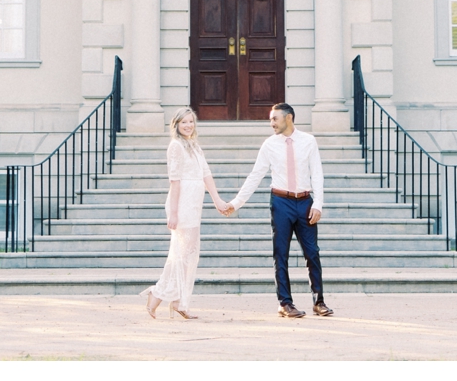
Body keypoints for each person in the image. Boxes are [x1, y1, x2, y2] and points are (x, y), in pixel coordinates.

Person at [224, 102, 333, 318]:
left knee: (312, 253)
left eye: (275, 118)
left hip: (304, 203)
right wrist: (236, 203)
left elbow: (317, 173)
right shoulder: (269, 145)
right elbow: (255, 175)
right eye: (270, 119)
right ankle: (285, 303)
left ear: (289, 118)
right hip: (281, 202)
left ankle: (319, 302)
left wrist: (318, 204)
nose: (271, 123)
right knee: (280, 254)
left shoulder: (308, 141)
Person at [140, 107, 231, 320]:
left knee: (188, 255)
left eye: (191, 121)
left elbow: (206, 174)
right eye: (184, 122)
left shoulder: (194, 145)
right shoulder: (176, 146)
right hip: (181, 205)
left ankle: (177, 300)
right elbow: (175, 181)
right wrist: (173, 213)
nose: (188, 125)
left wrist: (217, 200)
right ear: (177, 125)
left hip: (194, 204)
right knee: (183, 255)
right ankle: (163, 296)